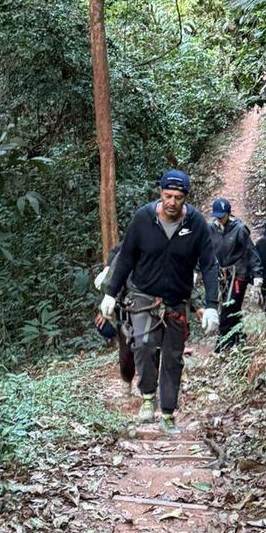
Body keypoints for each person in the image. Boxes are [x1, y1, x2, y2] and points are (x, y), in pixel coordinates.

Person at [101, 169, 219, 433]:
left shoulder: (196, 224)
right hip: (143, 296)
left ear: (186, 197)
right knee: (142, 344)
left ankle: (167, 413)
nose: (172, 202)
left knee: (173, 358)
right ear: (160, 194)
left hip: (176, 299)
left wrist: (210, 305)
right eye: (168, 196)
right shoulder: (144, 219)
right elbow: (126, 256)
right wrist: (111, 292)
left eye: (178, 197)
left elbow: (209, 264)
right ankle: (146, 398)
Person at [209, 197, 262, 350]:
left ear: (228, 213)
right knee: (232, 308)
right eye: (217, 215)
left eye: (222, 215)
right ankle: (238, 337)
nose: (219, 218)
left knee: (228, 308)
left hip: (239, 274)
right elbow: (205, 252)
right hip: (222, 276)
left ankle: (223, 345)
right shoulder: (211, 229)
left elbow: (251, 252)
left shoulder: (239, 229)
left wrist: (257, 275)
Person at [94, 248, 136, 397]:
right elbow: (111, 284)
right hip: (125, 307)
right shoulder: (120, 253)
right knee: (127, 352)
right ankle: (126, 384)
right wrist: (104, 310)